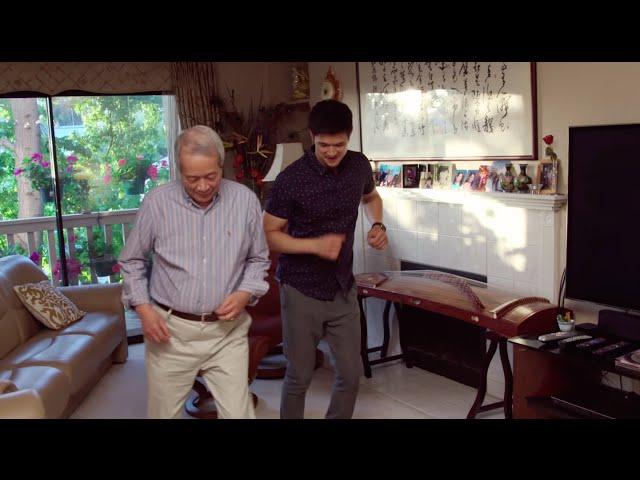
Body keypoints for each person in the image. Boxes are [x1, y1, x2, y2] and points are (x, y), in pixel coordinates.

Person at [119, 125, 270, 419]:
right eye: (193, 178)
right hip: (170, 333)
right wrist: (144, 310)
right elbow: (132, 260)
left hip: (227, 333)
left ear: (220, 166)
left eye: (211, 177)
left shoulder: (244, 201)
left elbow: (259, 259)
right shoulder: (157, 202)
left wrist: (244, 293)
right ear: (179, 171)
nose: (203, 186)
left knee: (240, 414)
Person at [263, 100, 388, 419]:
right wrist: (315, 246)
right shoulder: (291, 179)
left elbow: (371, 197)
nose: (332, 152)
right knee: (298, 377)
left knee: (350, 374)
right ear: (311, 136)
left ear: (349, 138)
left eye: (339, 145)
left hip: (343, 287)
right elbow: (269, 234)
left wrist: (377, 223)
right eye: (323, 145)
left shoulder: (359, 165)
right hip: (301, 289)